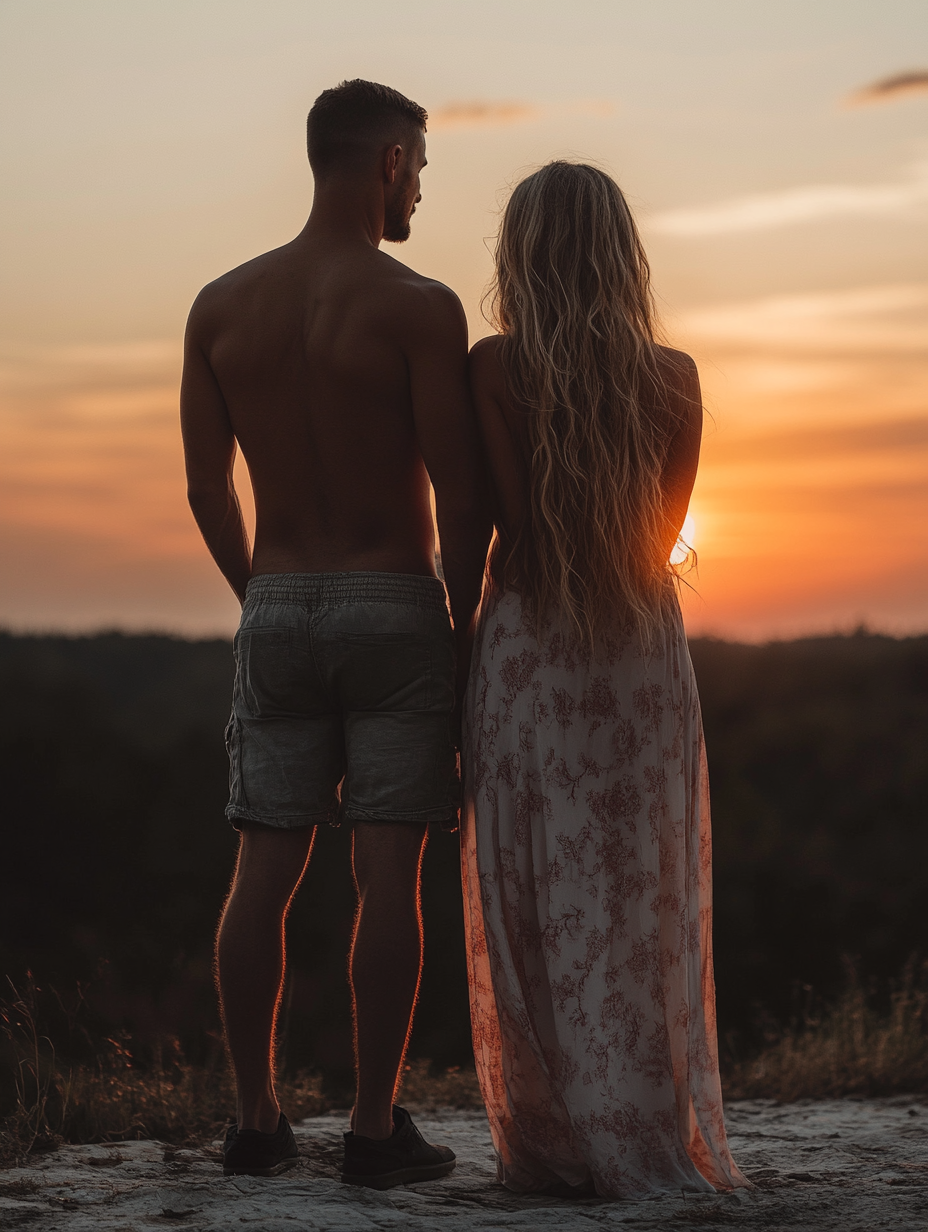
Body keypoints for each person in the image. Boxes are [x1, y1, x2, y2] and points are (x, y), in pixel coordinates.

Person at [180, 79, 490, 1187]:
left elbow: (205, 487)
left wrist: (257, 591)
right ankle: (369, 1129)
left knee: (260, 867)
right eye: (422, 168)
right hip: (394, 603)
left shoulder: (219, 304)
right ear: (392, 162)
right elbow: (463, 497)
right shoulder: (418, 305)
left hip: (279, 599)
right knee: (387, 877)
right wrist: (466, 625)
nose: (422, 190)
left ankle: (257, 1121)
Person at [462, 161, 747, 1199]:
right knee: (636, 890)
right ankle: (637, 1116)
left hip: (531, 647)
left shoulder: (493, 368)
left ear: (520, 251)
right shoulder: (675, 376)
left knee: (533, 884)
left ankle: (549, 1140)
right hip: (635, 656)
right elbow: (660, 537)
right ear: (623, 252)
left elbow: (510, 528)